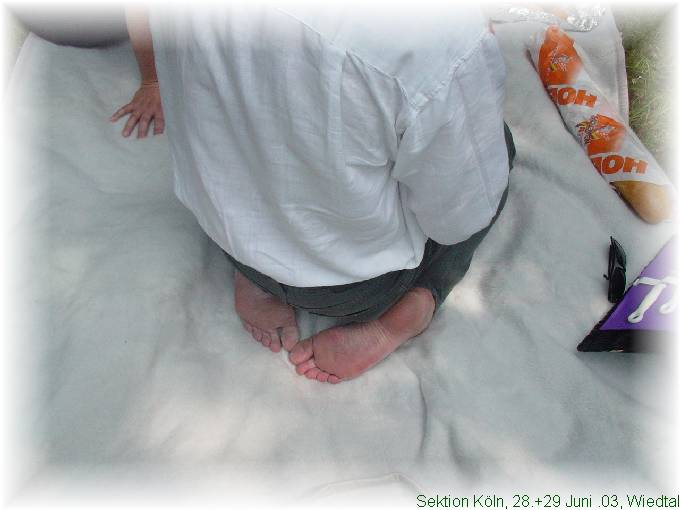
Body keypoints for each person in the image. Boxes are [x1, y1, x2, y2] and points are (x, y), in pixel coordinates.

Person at [111, 4, 515, 384]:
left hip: (227, 230)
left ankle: (255, 276)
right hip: (352, 290)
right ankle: (413, 307)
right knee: (492, 150)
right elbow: (458, 217)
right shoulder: (441, 35)